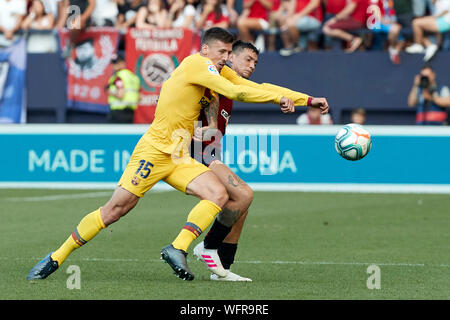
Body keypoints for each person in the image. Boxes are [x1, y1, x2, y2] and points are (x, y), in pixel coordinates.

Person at [26, 27, 300, 282]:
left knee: (218, 194)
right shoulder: (196, 64)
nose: (226, 59)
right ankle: (56, 257)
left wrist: (306, 100)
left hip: (179, 155)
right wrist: (276, 100)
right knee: (114, 211)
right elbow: (234, 90)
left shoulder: (215, 71)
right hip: (154, 150)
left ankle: (177, 248)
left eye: (230, 54)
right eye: (223, 53)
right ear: (205, 49)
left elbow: (255, 87)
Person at [191, 40, 330, 281]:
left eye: (256, 62)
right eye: (248, 59)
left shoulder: (229, 80)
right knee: (243, 195)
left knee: (240, 206)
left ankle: (222, 270)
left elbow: (262, 87)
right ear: (230, 57)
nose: (253, 65)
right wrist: (283, 99)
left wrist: (306, 100)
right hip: (194, 148)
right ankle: (207, 247)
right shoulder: (215, 74)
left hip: (210, 150)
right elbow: (256, 91)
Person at [106, 53, 140, 123]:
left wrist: (109, 91)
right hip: (130, 112)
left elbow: (120, 94)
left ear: (123, 63)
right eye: (113, 63)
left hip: (118, 112)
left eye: (116, 63)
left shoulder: (119, 77)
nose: (114, 66)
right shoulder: (133, 76)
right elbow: (140, 97)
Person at [366, 0, 403, 64]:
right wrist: (385, 21)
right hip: (375, 23)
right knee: (396, 29)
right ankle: (393, 50)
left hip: (386, 24)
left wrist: (391, 21)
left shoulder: (388, 1)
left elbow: (392, 14)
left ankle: (393, 51)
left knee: (402, 40)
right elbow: (375, 12)